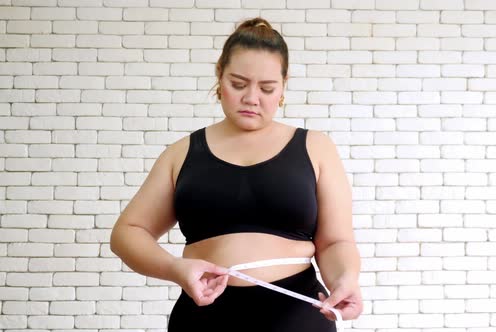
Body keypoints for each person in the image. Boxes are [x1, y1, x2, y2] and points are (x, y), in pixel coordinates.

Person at [110, 17, 362, 331]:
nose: (251, 98)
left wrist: (345, 280)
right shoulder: (181, 153)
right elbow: (127, 232)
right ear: (220, 76)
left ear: (283, 86)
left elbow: (336, 241)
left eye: (267, 88)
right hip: (205, 315)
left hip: (297, 314)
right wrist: (175, 268)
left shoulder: (316, 148)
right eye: (238, 84)